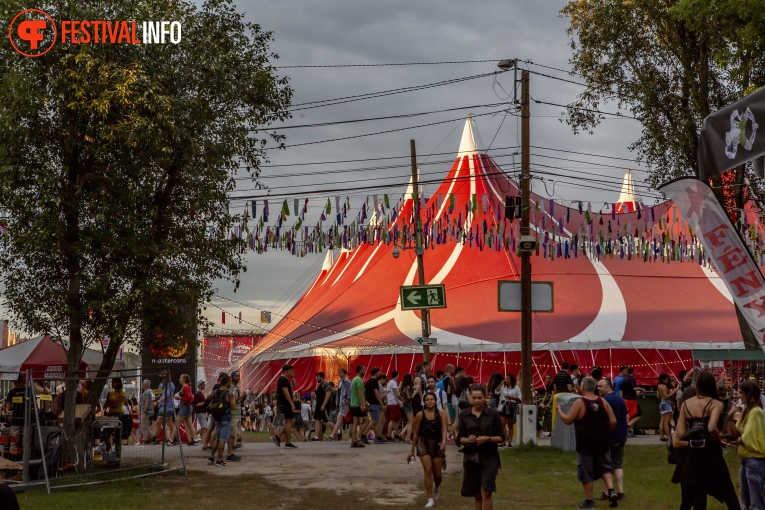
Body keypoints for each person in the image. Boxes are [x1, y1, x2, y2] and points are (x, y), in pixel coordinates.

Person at [673, 370, 740, 510]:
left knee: (696, 495)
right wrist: (719, 440)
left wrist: (693, 436)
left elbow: (679, 434)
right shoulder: (716, 404)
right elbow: (711, 428)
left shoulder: (686, 404)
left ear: (697, 385)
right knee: (729, 494)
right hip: (712, 454)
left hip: (693, 457)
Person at [557, 376, 619, 509]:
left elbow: (568, 420)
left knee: (586, 471)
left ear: (582, 388)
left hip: (585, 444)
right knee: (605, 467)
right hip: (602, 442)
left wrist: (560, 411)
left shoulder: (580, 402)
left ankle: (589, 501)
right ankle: (612, 491)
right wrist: (604, 431)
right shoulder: (603, 401)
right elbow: (613, 421)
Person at [456, 384, 504, 510]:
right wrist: (467, 440)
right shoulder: (464, 415)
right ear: (470, 398)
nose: (476, 401)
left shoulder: (493, 415)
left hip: (489, 457)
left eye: (479, 398)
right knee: (477, 494)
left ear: (485, 398)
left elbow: (501, 437)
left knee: (486, 492)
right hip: (472, 457)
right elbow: (459, 438)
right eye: (474, 398)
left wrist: (488, 439)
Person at [408, 391, 449, 508]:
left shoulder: (441, 414)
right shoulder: (420, 415)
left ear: (435, 401)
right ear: (424, 402)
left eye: (432, 399)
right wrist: (411, 450)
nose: (430, 401)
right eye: (427, 400)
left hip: (437, 443)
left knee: (437, 474)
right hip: (423, 442)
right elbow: (415, 434)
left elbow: (444, 429)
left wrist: (444, 442)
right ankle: (430, 498)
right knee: (428, 469)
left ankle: (436, 487)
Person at [730, 380, 765, 510]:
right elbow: (735, 433)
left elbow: (746, 437)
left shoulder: (756, 412)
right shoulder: (746, 412)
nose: (739, 396)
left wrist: (739, 439)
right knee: (745, 502)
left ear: (748, 394)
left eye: (741, 393)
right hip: (746, 460)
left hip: (755, 460)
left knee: (756, 502)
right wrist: (730, 415)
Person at [597, 378, 627, 504]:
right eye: (598, 386)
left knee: (606, 466)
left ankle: (607, 492)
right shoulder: (619, 399)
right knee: (618, 464)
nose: (598, 388)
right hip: (621, 436)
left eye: (601, 386)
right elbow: (626, 415)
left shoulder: (604, 401)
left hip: (609, 437)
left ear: (608, 387)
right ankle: (621, 491)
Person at [207, 373, 236, 467]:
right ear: (227, 383)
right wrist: (234, 399)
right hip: (226, 418)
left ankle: (211, 457)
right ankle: (219, 459)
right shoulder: (228, 393)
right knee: (222, 439)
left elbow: (208, 398)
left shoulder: (215, 391)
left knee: (217, 438)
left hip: (217, 418)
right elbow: (233, 406)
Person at [495, 374, 521, 448]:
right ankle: (503, 441)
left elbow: (520, 398)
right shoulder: (503, 386)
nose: (506, 380)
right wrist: (501, 383)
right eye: (505, 378)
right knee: (502, 423)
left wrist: (511, 397)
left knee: (510, 424)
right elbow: (496, 392)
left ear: (511, 380)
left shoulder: (516, 387)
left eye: (507, 379)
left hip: (511, 406)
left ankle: (509, 442)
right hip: (503, 406)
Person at [275, 364, 298, 448]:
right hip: (286, 403)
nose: (292, 372)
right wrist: (291, 403)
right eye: (290, 371)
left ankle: (278, 436)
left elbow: (294, 386)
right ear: (286, 371)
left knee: (291, 421)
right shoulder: (283, 380)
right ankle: (287, 442)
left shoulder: (286, 380)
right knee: (289, 422)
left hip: (285, 402)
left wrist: (293, 377)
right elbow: (286, 392)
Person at [620, 367, 646, 436]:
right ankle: (628, 426)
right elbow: (634, 388)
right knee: (638, 414)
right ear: (633, 372)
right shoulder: (632, 379)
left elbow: (622, 390)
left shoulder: (624, 380)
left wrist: (621, 399)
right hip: (631, 400)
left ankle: (628, 430)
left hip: (625, 399)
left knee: (628, 415)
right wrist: (642, 389)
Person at [363, 367, 385, 444]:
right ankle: (364, 434)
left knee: (375, 421)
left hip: (370, 403)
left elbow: (364, 391)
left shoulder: (368, 381)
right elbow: (376, 392)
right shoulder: (375, 381)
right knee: (374, 421)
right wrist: (381, 402)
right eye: (379, 372)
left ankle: (378, 437)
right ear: (376, 373)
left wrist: (366, 400)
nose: (380, 374)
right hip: (375, 403)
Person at [350, 364, 369, 448]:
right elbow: (359, 392)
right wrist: (362, 404)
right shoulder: (359, 380)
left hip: (353, 403)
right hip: (358, 404)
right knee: (367, 420)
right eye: (363, 370)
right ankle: (358, 437)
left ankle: (353, 440)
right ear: (360, 370)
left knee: (355, 422)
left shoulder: (354, 379)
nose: (364, 371)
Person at [176, 374, 197, 446]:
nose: (179, 379)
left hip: (185, 407)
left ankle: (171, 439)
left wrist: (180, 398)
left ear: (184, 379)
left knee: (177, 423)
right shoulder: (186, 387)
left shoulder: (185, 387)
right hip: (186, 406)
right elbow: (191, 398)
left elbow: (188, 398)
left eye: (180, 378)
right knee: (189, 425)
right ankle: (194, 439)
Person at [331, 368, 352, 441]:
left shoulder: (348, 382)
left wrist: (348, 399)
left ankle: (333, 434)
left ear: (345, 373)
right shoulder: (340, 382)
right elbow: (338, 393)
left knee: (339, 417)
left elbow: (350, 391)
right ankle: (351, 435)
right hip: (341, 403)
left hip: (345, 402)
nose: (340, 374)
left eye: (341, 372)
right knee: (350, 420)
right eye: (339, 372)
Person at [155, 378, 176, 445]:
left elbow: (166, 396)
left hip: (168, 406)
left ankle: (173, 438)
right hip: (161, 406)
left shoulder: (171, 385)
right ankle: (155, 437)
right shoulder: (161, 385)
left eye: (163, 378)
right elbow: (160, 393)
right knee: (158, 422)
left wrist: (157, 401)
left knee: (169, 423)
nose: (162, 380)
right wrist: (157, 395)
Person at [312, 372, 332, 441]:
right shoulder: (320, 385)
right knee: (317, 420)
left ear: (321, 377)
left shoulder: (326, 384)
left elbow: (328, 395)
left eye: (318, 377)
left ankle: (337, 430)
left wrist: (324, 405)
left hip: (323, 406)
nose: (316, 378)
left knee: (325, 421)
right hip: (318, 405)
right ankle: (316, 436)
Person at [658, 374, 676, 442]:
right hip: (666, 403)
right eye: (666, 379)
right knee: (666, 421)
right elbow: (666, 397)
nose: (668, 380)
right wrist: (673, 392)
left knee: (662, 421)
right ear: (663, 380)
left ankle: (662, 436)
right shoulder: (664, 387)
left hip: (662, 403)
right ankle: (668, 436)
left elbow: (658, 396)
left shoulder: (659, 386)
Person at [386, 370, 404, 441]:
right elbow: (397, 394)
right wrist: (402, 399)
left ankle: (396, 433)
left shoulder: (390, 382)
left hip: (391, 402)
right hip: (393, 402)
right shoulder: (393, 383)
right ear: (397, 375)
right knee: (393, 420)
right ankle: (389, 435)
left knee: (398, 419)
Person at [399, 373, 415, 443]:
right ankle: (408, 438)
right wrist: (415, 393)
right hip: (408, 405)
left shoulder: (402, 387)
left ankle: (402, 433)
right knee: (411, 422)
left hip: (404, 405)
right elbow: (409, 397)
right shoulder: (407, 387)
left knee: (410, 421)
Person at [139, 380, 155, 445]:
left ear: (145, 385)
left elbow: (146, 401)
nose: (142, 385)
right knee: (147, 426)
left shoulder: (146, 392)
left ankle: (145, 440)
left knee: (143, 426)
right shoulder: (151, 391)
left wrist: (144, 411)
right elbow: (153, 401)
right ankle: (152, 438)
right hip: (151, 410)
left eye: (142, 384)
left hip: (146, 411)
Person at [193, 380, 208, 445]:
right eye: (202, 384)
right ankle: (193, 436)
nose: (204, 385)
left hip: (203, 412)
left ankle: (204, 442)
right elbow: (196, 404)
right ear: (199, 385)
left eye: (204, 384)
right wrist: (204, 403)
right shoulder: (197, 394)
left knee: (204, 429)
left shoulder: (201, 393)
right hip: (200, 412)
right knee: (204, 427)